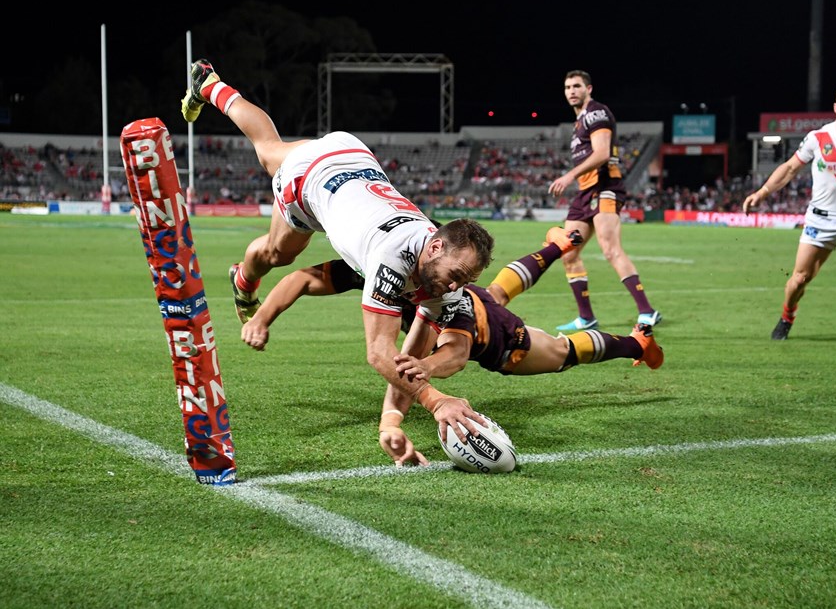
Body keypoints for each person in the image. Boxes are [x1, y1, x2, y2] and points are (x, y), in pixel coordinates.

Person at [180, 58, 496, 440]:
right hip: (309, 181)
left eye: (465, 280)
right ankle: (244, 279)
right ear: (435, 247)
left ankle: (210, 86)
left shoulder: (440, 265)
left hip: (351, 155)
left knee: (269, 146)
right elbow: (379, 352)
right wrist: (435, 401)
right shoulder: (392, 257)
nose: (455, 286)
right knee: (278, 254)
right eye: (456, 275)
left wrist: (408, 397)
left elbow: (418, 358)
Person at [237, 230, 663, 466]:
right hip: (470, 302)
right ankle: (558, 245)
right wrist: (260, 317)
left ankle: (636, 343)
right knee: (497, 289)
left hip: (491, 336)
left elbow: (441, 356)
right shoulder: (385, 263)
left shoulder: (445, 296)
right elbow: (302, 278)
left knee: (559, 352)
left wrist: (400, 406)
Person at [547, 69, 660, 332]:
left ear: (589, 89)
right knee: (568, 252)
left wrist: (569, 175)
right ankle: (586, 317)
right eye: (567, 87)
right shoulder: (579, 122)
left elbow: (602, 153)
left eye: (577, 86)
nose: (571, 91)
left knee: (610, 249)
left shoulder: (596, 113)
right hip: (585, 192)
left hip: (605, 187)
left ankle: (647, 311)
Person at [742, 88, 836, 340]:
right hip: (822, 219)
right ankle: (787, 316)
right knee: (799, 279)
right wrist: (762, 192)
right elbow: (789, 169)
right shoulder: (818, 138)